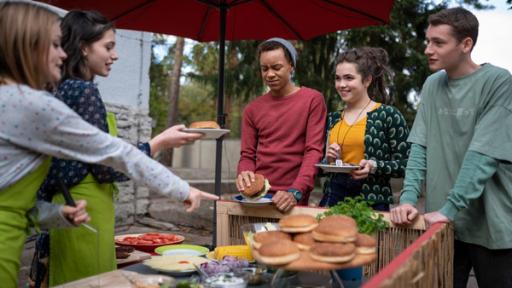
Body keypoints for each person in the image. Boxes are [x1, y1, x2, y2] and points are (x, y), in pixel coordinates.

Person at [0, 2, 217, 287]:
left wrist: (53, 214)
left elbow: (10, 198)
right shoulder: (35, 104)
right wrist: (183, 189)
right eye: (54, 45)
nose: (62, 53)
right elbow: (115, 156)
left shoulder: (17, 99)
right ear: (28, 48)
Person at [390, 7, 512, 288]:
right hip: (443, 224)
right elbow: (419, 145)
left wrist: (451, 206)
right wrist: (408, 198)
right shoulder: (433, 84)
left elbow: (484, 153)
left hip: (491, 225)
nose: (428, 49)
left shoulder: (499, 82)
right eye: (427, 41)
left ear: (466, 44)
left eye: (439, 42)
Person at [236, 38, 327, 212]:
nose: (269, 74)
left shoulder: (312, 100)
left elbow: (313, 151)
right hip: (257, 198)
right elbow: (247, 155)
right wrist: (244, 174)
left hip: (293, 197)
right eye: (264, 69)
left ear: (291, 66)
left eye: (276, 67)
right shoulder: (252, 109)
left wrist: (296, 191)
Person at [320, 47, 410, 211]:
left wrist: (374, 166)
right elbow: (320, 167)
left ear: (367, 80)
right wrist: (329, 160)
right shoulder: (332, 118)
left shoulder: (387, 115)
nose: (341, 85)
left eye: (348, 78)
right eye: (337, 78)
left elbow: (407, 164)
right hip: (333, 197)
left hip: (372, 201)